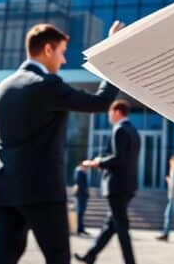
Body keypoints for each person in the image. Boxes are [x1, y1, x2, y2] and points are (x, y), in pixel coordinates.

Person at [0, 22, 122, 264]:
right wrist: (113, 52)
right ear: (48, 50)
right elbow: (100, 102)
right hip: (41, 190)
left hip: (3, 188)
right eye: (62, 52)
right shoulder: (46, 84)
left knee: (2, 260)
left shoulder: (3, 87)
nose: (64, 61)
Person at [74, 99, 140, 264]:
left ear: (117, 111)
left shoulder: (119, 130)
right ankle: (90, 255)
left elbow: (118, 158)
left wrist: (97, 162)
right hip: (128, 185)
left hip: (116, 186)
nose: (109, 116)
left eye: (110, 112)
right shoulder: (134, 131)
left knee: (121, 228)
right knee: (111, 225)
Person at [72, 164, 90, 236]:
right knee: (80, 212)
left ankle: (81, 229)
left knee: (81, 212)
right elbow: (80, 183)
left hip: (82, 195)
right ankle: (79, 229)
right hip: (81, 195)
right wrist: (86, 192)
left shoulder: (81, 171)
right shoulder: (79, 171)